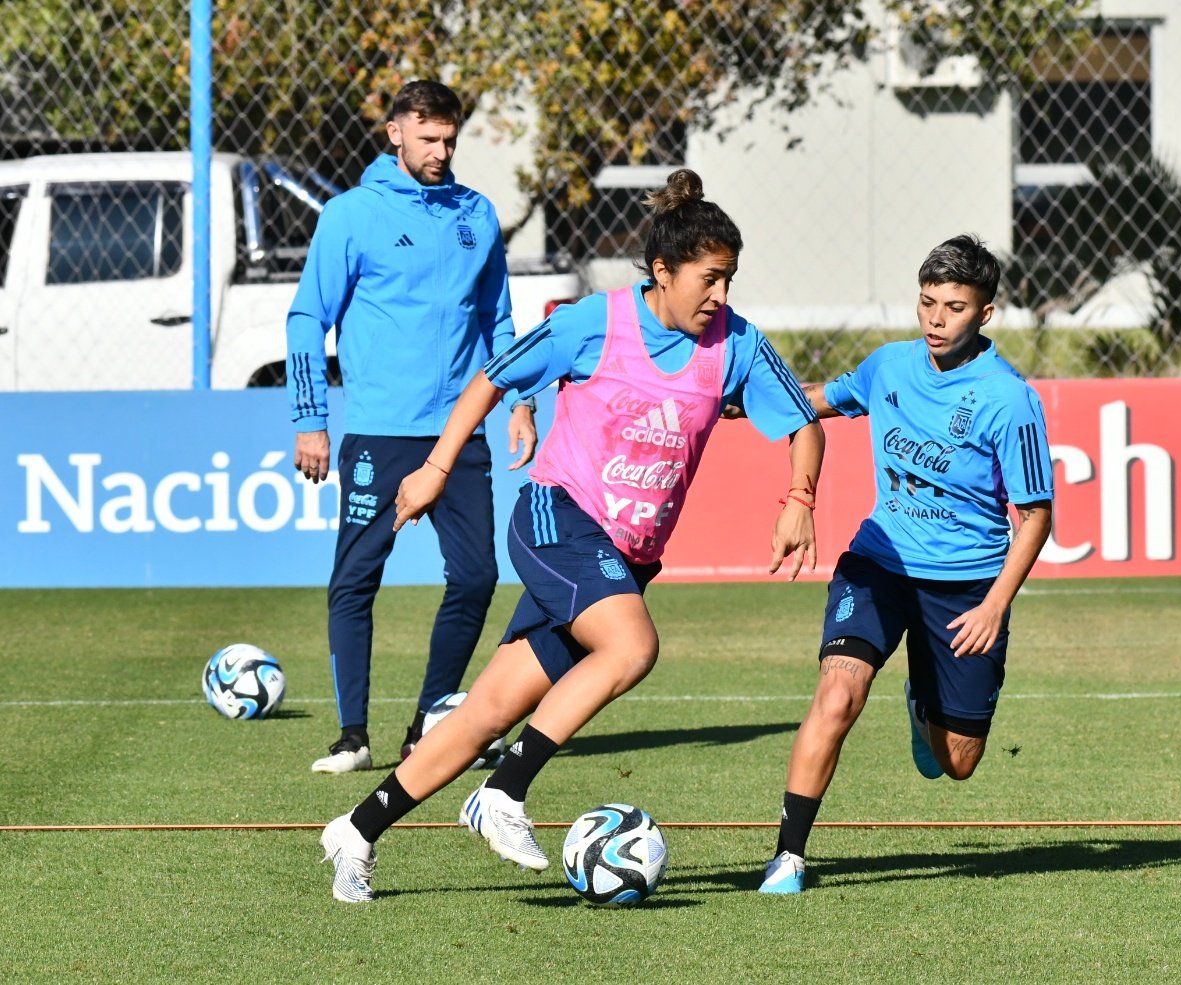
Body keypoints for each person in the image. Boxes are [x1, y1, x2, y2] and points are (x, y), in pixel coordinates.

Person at [318, 168, 826, 903]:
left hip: (622, 557)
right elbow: (491, 379)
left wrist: (799, 497)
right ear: (663, 270)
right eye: (710, 279)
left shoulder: (735, 345)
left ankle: (357, 830)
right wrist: (434, 467)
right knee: (632, 646)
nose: (721, 296)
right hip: (558, 516)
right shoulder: (597, 321)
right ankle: (504, 791)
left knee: (488, 708)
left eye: (729, 280)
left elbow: (803, 427)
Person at [758, 234, 1054, 894]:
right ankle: (788, 856)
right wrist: (728, 395)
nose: (934, 319)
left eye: (953, 306)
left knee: (957, 761)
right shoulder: (887, 366)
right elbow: (817, 400)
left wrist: (994, 604)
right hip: (879, 563)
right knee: (836, 693)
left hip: (968, 588)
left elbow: (1034, 515)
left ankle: (923, 698)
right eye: (926, 302)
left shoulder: (1008, 400)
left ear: (985, 314)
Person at [287, 80, 537, 775]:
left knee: (478, 575)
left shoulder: (476, 215)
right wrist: (310, 419)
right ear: (394, 132)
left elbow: (498, 322)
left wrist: (519, 398)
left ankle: (429, 720)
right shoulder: (350, 215)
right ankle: (352, 735)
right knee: (355, 577)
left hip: (459, 432)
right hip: (378, 432)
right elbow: (308, 319)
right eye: (428, 138)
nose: (441, 150)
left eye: (449, 139)